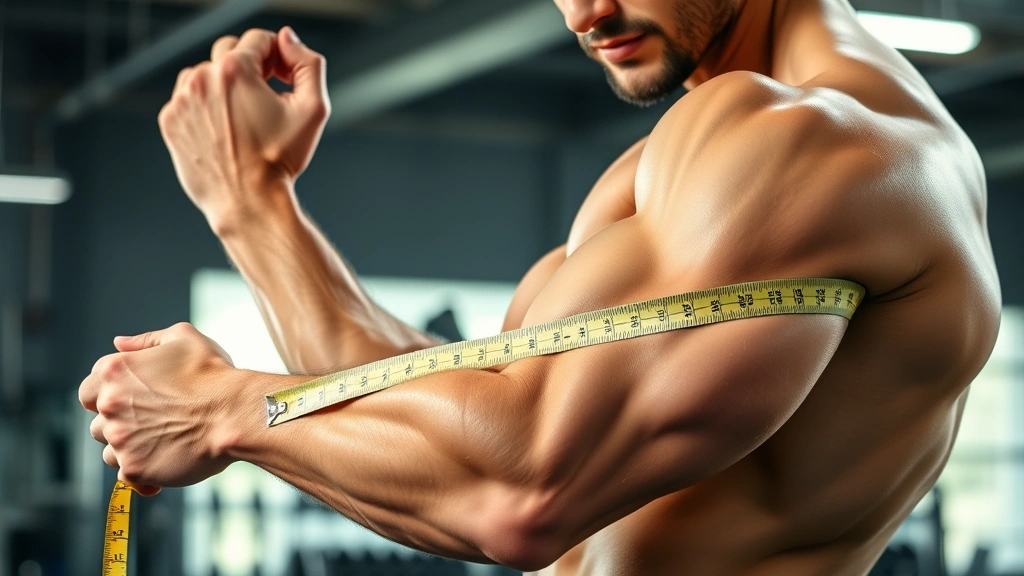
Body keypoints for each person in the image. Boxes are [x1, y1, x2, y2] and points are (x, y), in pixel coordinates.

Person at [78, 0, 1002, 573]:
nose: (580, 12)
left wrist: (224, 412)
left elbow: (524, 494)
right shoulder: (688, 157)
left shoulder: (816, 143)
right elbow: (456, 418)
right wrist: (252, 205)